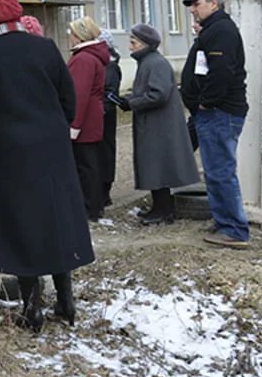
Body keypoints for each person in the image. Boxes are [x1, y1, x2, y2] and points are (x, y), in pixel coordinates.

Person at [0, 0, 94, 331]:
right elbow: (69, 99)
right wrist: (55, 127)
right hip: (52, 148)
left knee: (20, 224)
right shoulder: (46, 48)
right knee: (57, 218)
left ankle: (31, 309)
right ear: (19, 17)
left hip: (9, 153)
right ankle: (66, 301)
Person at [180, 0, 251, 249]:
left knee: (221, 171)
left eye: (196, 4)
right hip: (214, 113)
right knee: (215, 171)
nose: (192, 10)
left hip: (219, 113)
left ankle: (234, 229)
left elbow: (221, 73)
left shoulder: (220, 30)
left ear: (214, 3)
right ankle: (225, 222)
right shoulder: (213, 30)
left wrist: (205, 103)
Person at [112, 24, 199, 224]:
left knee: (158, 166)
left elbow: (158, 94)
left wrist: (131, 102)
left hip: (159, 126)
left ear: (144, 44)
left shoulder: (155, 63)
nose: (130, 46)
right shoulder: (149, 61)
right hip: (155, 124)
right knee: (156, 166)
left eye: (133, 42)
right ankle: (160, 208)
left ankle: (163, 211)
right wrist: (129, 99)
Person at [67, 17, 109, 222]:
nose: (69, 37)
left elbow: (78, 94)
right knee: (90, 164)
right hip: (91, 118)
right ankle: (95, 205)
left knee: (85, 166)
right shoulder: (89, 56)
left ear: (79, 36)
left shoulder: (83, 59)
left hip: (84, 120)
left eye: (72, 33)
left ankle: (90, 208)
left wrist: (73, 125)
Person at [98, 29, 122, 210]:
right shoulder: (103, 64)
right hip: (102, 113)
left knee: (105, 152)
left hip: (106, 115)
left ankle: (105, 192)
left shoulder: (111, 66)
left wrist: (102, 109)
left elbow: (110, 93)